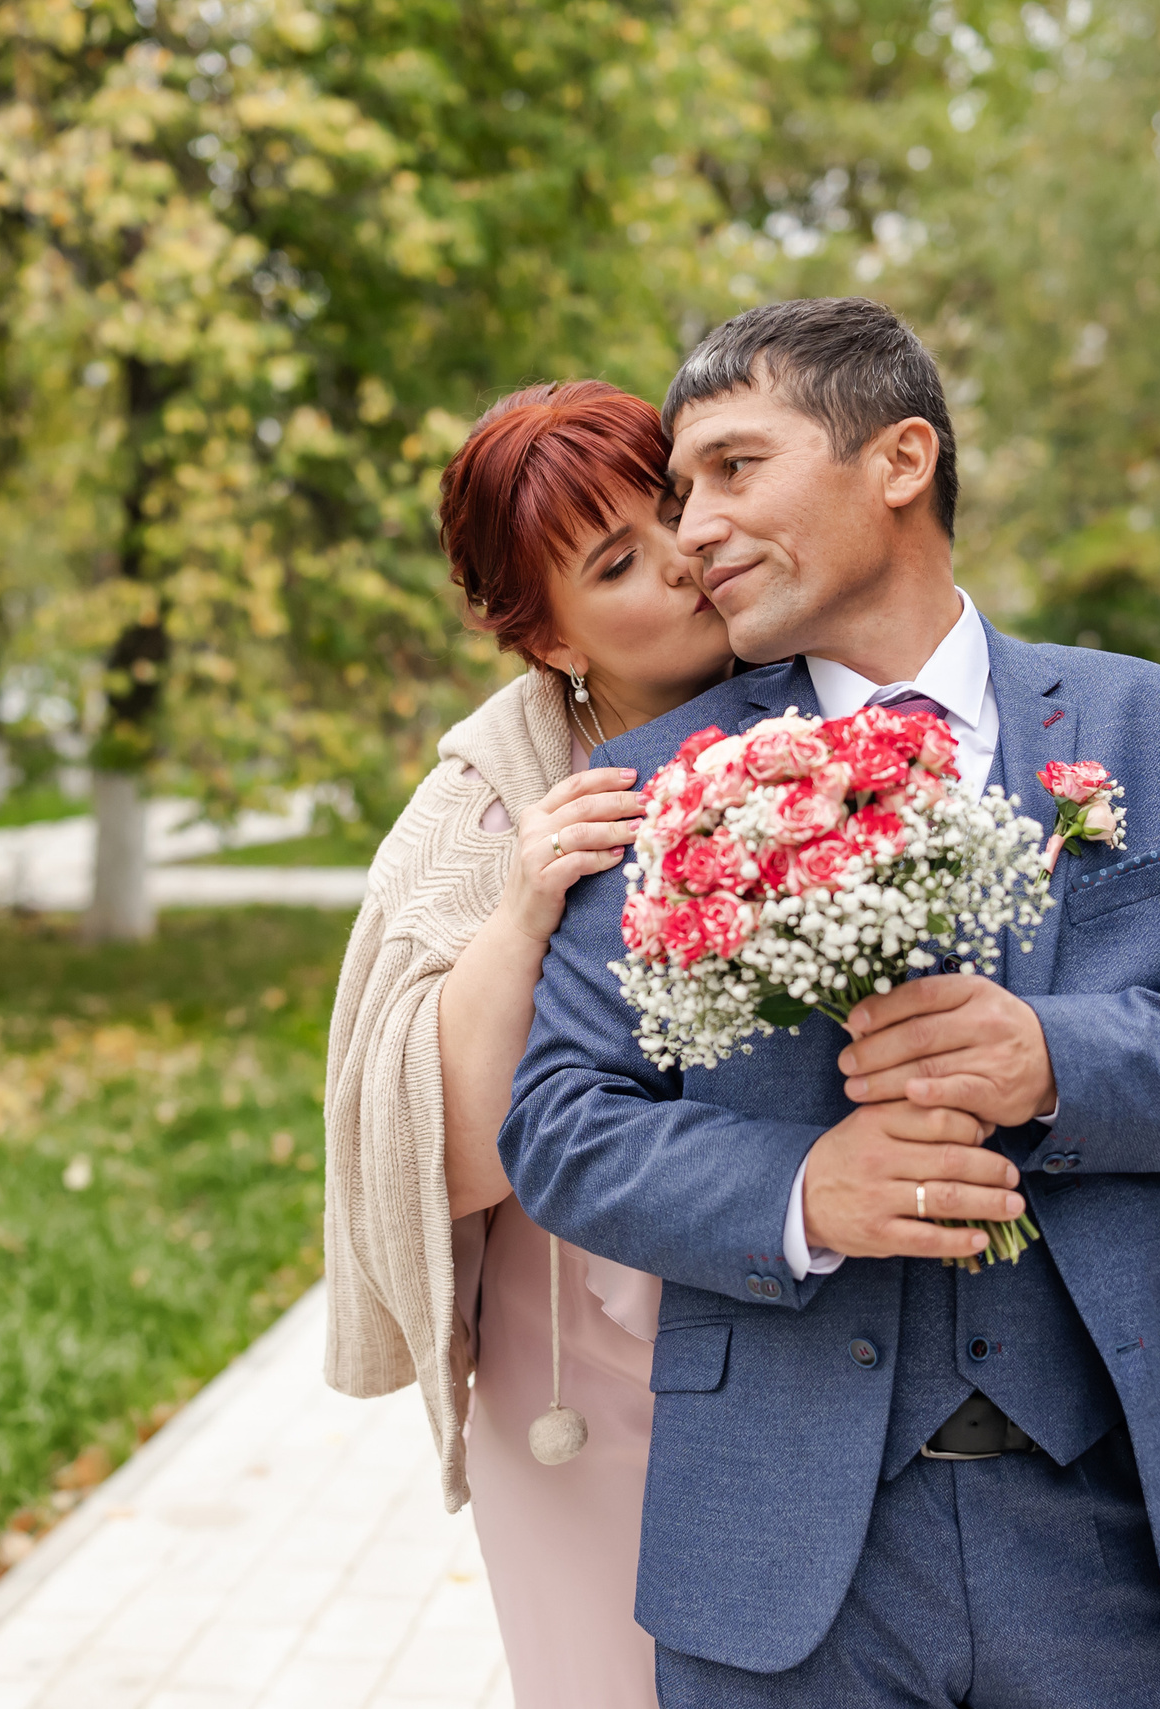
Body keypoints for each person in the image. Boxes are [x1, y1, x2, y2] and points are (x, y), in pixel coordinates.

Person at [500, 299, 1160, 1707]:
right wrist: (800, 1189)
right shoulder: (658, 784)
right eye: (678, 492)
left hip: (1123, 1533)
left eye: (734, 467)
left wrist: (1053, 1057)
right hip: (784, 1561)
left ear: (900, 458)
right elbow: (557, 1128)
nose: (694, 530)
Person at [321, 380, 732, 1709]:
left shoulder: (841, 709)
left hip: (805, 1325)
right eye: (617, 561)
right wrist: (526, 906)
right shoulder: (487, 804)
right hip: (578, 1368)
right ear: (544, 635)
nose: (681, 556)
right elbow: (441, 1158)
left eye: (674, 507)